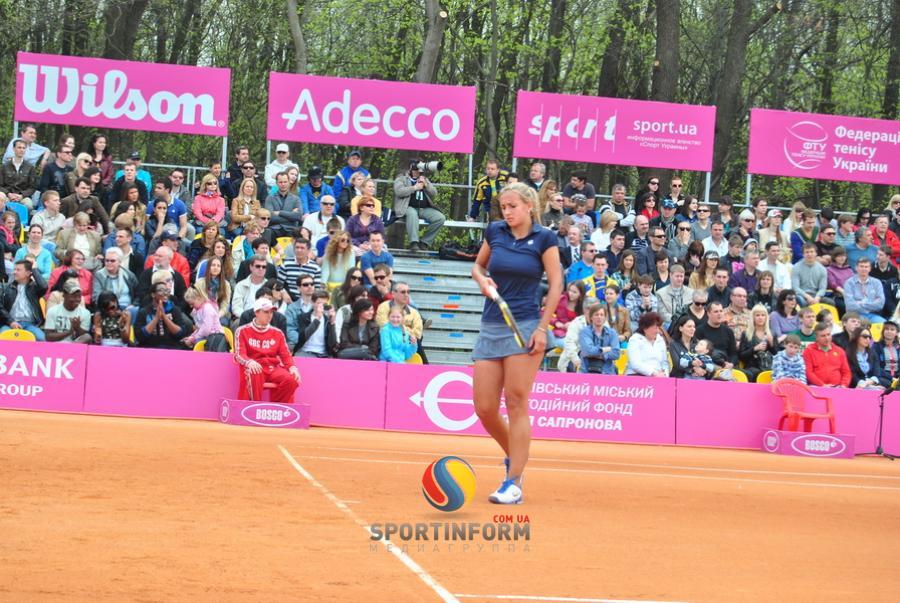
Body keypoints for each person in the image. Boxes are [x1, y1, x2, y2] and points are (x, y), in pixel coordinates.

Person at [471, 182, 561, 505]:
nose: (506, 212)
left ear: (529, 206)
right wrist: (482, 279)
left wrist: (542, 328)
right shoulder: (495, 231)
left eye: (512, 206)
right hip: (491, 325)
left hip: (525, 326)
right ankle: (516, 455)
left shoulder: (545, 238)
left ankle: (514, 481)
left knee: (516, 401)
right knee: (484, 408)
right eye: (503, 207)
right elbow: (478, 266)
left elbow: (556, 285)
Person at [234, 297, 301, 402]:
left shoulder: (278, 333)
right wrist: (249, 362)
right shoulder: (242, 331)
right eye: (266, 312)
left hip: (272, 368)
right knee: (254, 371)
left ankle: (277, 407)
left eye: (271, 312)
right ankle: (253, 407)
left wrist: (292, 367)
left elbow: (286, 355)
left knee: (292, 380)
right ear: (256, 312)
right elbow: (239, 354)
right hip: (254, 367)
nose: (269, 315)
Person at [393, 161, 445, 251]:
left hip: (423, 209)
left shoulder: (424, 179)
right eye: (416, 170)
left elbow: (434, 193)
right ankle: (414, 242)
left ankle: (425, 242)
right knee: (413, 214)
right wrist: (414, 188)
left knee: (440, 218)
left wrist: (426, 185)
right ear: (411, 169)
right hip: (407, 207)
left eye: (420, 171)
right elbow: (399, 191)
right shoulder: (402, 178)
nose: (418, 172)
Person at [135, 275, 193, 349]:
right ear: (153, 294)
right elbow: (139, 336)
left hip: (171, 348)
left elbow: (180, 333)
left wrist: (164, 317)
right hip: (149, 348)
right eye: (161, 290)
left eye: (166, 290)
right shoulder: (144, 312)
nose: (165, 293)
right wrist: (156, 318)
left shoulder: (174, 310)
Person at [0, 259, 47, 340]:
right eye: (14, 269)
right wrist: (11, 322)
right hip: (9, 324)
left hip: (30, 325)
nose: (14, 272)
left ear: (28, 273)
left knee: (42, 339)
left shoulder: (34, 288)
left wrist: (34, 269)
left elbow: (44, 286)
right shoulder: (6, 287)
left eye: (18, 270)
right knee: (3, 339)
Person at [804, 322, 851, 387]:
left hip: (838, 387)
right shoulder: (809, 351)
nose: (827, 338)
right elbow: (808, 372)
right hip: (817, 387)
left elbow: (846, 372)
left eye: (828, 334)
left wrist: (843, 385)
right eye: (823, 336)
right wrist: (822, 385)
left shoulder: (840, 351)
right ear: (816, 337)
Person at [578, 304, 620, 374]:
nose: (599, 317)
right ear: (591, 317)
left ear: (605, 318)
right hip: (587, 372)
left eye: (601, 315)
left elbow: (616, 354)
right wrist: (603, 350)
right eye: (596, 315)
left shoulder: (612, 333)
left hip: (607, 373)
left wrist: (600, 355)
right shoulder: (585, 332)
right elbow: (588, 351)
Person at [626, 312, 670, 377]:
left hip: (658, 376)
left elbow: (664, 362)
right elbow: (635, 364)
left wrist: (665, 374)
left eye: (659, 328)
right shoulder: (635, 339)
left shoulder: (660, 340)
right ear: (645, 328)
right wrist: (653, 373)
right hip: (637, 375)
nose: (658, 331)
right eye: (655, 328)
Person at [738, 304, 775, 382]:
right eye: (757, 315)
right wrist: (755, 349)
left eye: (763, 315)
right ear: (753, 318)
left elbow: (777, 354)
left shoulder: (772, 333)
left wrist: (771, 343)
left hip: (770, 369)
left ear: (766, 317)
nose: (760, 318)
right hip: (752, 369)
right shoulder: (746, 334)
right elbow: (741, 356)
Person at [696, 301, 738, 369]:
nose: (719, 314)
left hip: (727, 365)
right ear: (708, 314)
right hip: (708, 365)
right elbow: (697, 351)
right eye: (716, 312)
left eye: (721, 311)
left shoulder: (728, 331)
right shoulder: (699, 330)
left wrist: (731, 364)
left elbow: (733, 354)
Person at [843, 257, 885, 323]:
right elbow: (850, 305)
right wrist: (872, 304)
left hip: (872, 315)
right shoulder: (849, 283)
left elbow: (880, 304)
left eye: (866, 267)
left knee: (884, 324)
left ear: (870, 269)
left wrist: (860, 303)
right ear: (856, 268)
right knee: (863, 325)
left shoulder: (877, 282)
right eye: (861, 266)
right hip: (854, 315)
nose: (864, 269)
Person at [0, 138, 37, 205]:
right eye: (19, 147)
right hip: (7, 195)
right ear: (14, 149)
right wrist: (8, 194)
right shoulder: (4, 166)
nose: (22, 150)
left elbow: (32, 187)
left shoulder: (30, 167)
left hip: (23, 196)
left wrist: (22, 195)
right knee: (2, 201)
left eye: (24, 148)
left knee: (28, 204)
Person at [265, 172, 303, 237]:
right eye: (280, 182)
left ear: (289, 182)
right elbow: (270, 217)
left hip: (291, 229)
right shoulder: (270, 198)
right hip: (274, 228)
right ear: (276, 183)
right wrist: (291, 216)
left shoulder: (296, 199)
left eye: (285, 182)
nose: (283, 184)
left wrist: (279, 213)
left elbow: (298, 216)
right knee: (267, 233)